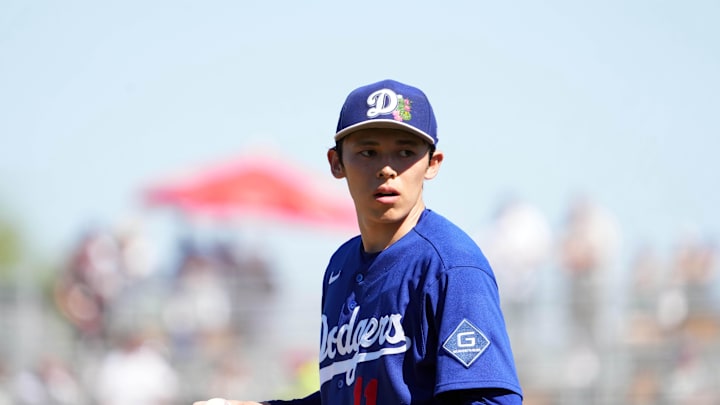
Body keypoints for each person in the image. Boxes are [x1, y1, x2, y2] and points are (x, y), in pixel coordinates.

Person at [194, 79, 523, 404]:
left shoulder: (451, 266)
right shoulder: (341, 265)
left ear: (432, 164)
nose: (386, 169)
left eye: (405, 152)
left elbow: (491, 401)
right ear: (336, 163)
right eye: (368, 152)